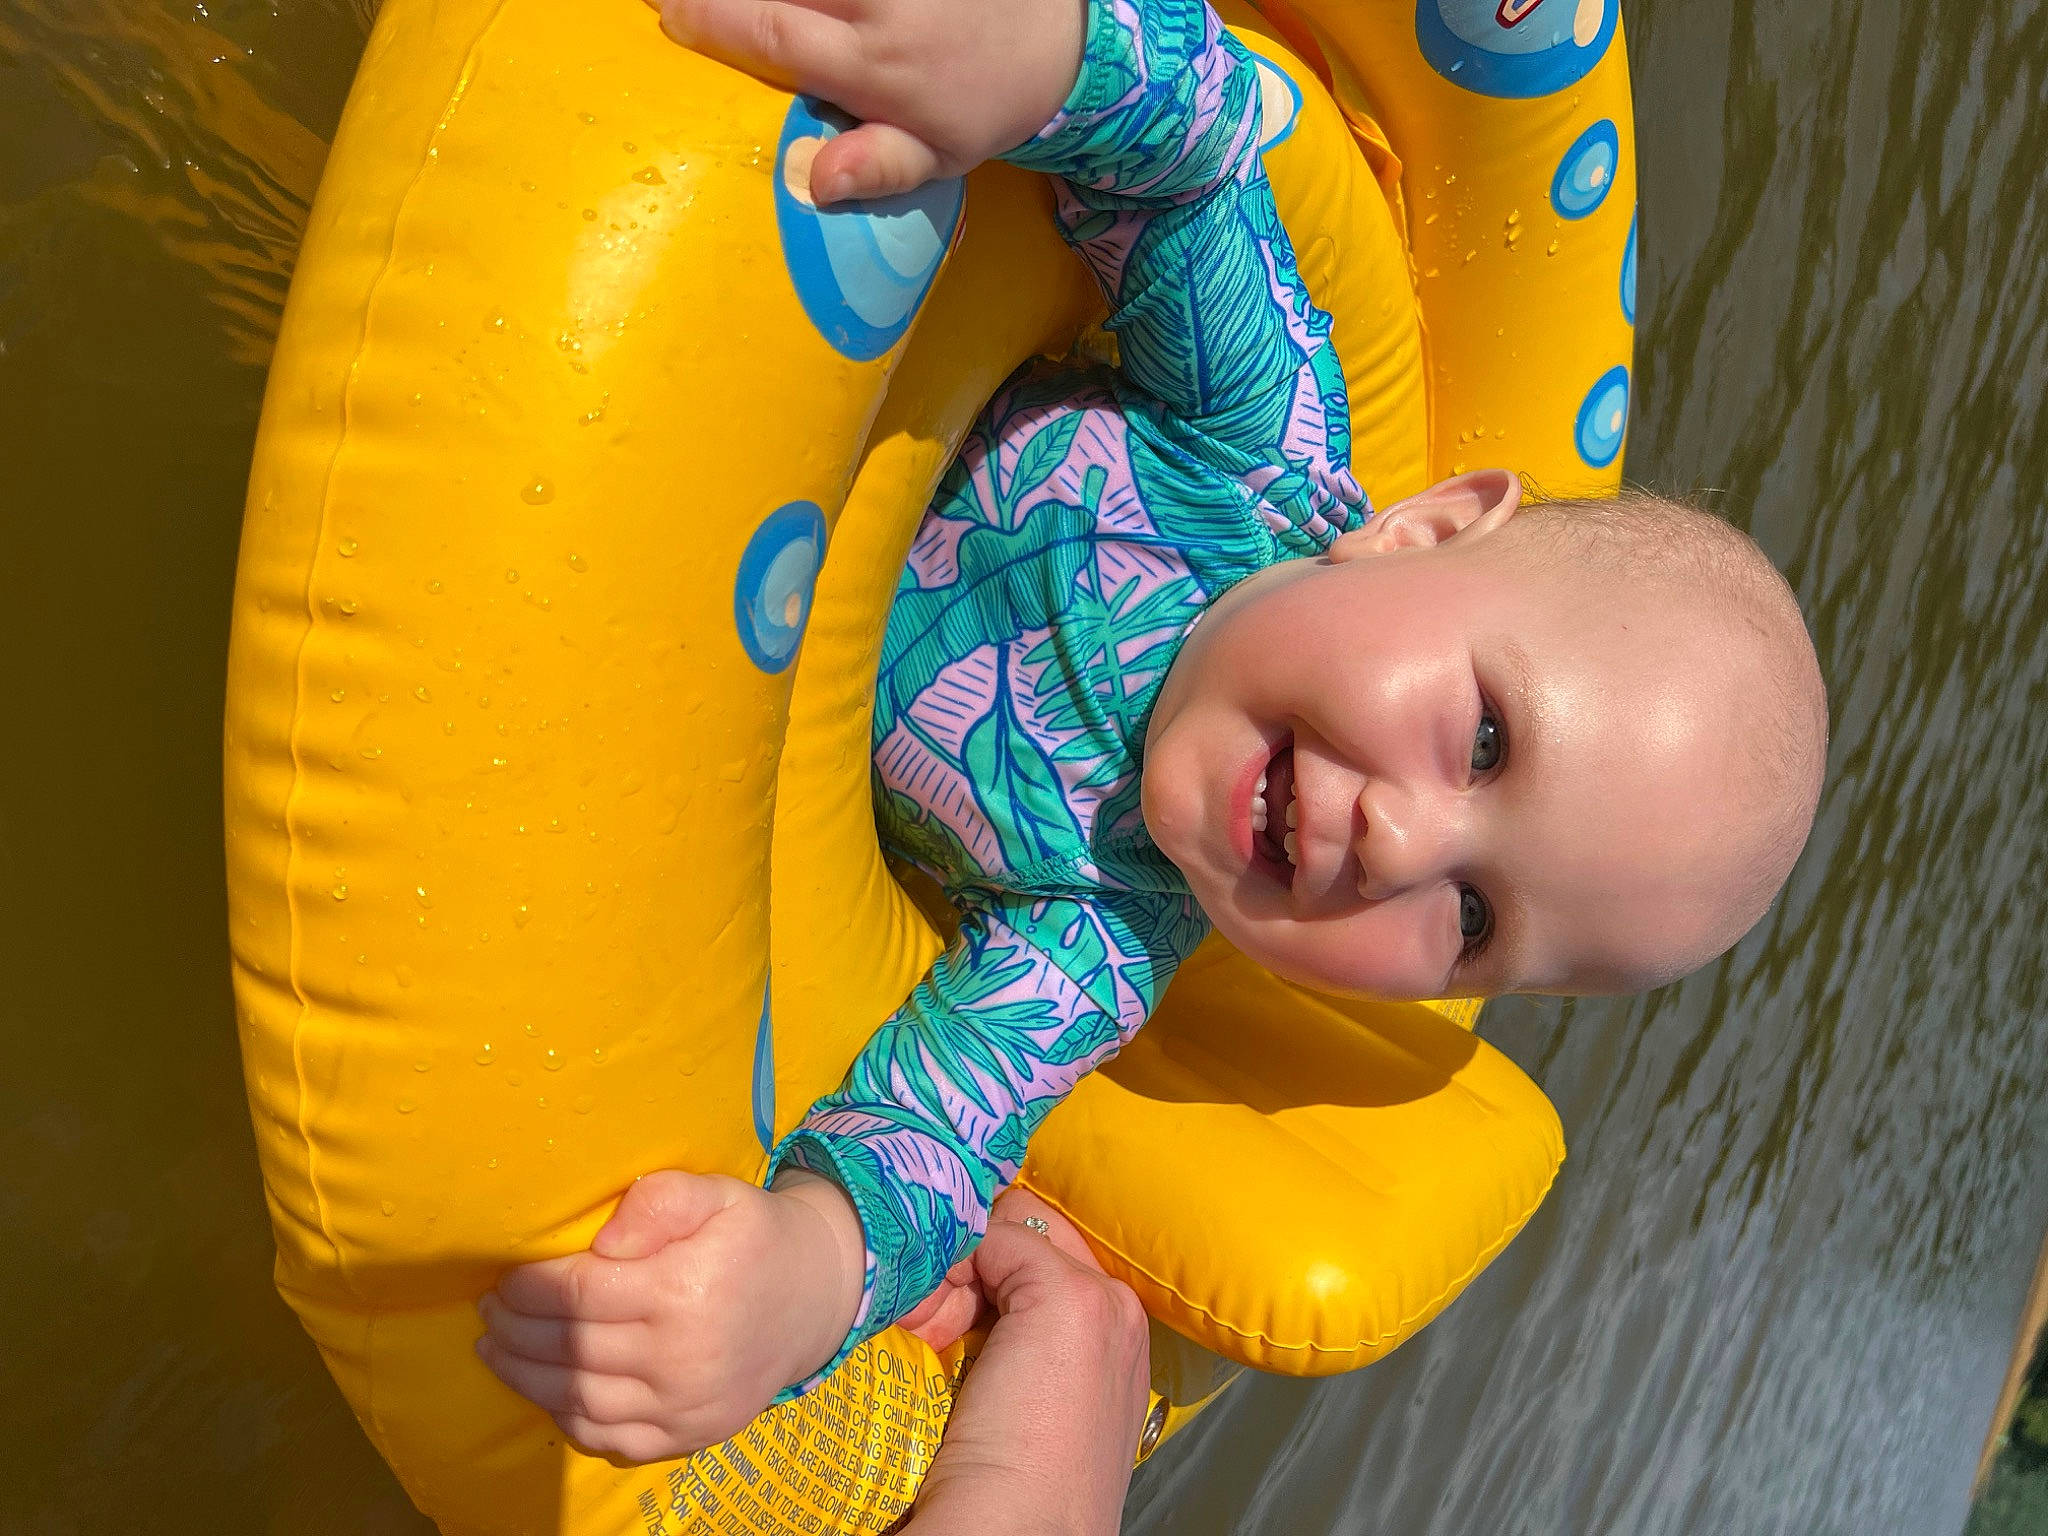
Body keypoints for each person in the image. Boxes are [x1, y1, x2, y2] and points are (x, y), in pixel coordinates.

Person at [475, 0, 1829, 1466]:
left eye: (1476, 919)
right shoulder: (1250, 453)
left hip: (594, 651)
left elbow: (933, 1139)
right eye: (1489, 739)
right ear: (1424, 529)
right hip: (674, 304)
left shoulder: (1095, 932)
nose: (1403, 839)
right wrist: (1040, 65)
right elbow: (1190, 153)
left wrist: (793, 1283)